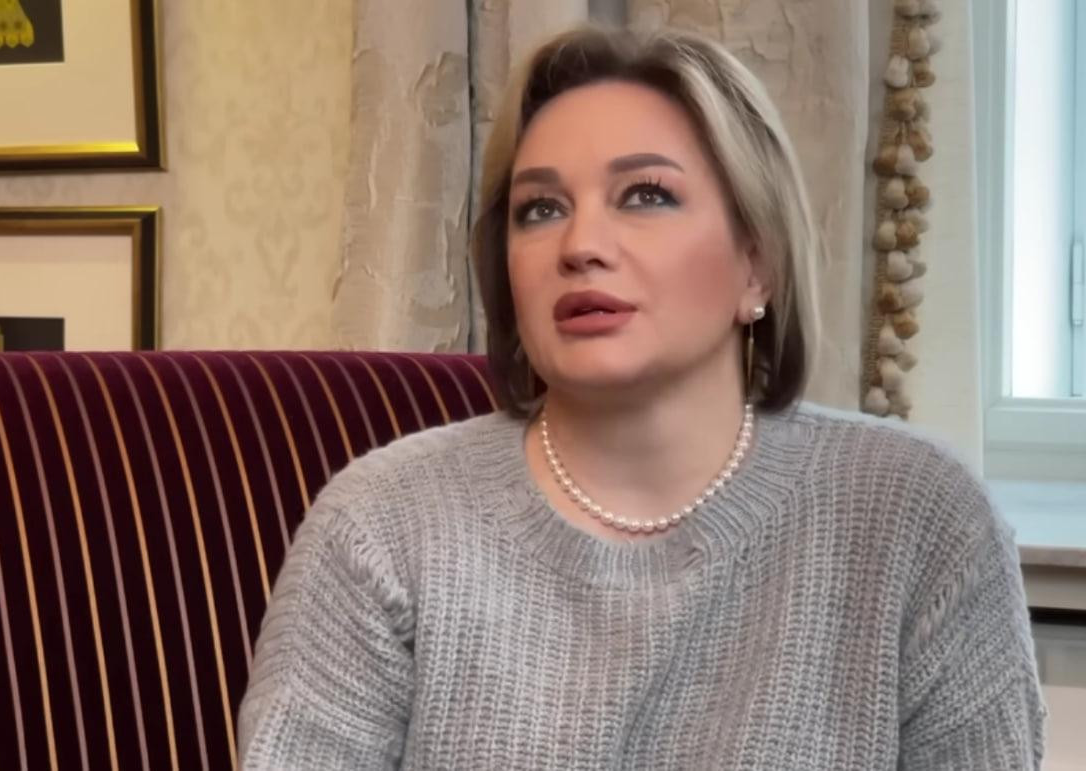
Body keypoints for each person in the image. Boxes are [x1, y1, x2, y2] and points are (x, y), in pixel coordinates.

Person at [238, 25, 1046, 769]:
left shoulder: (921, 516)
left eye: (646, 195)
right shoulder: (381, 525)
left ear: (758, 264)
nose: (581, 245)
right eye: (540, 209)